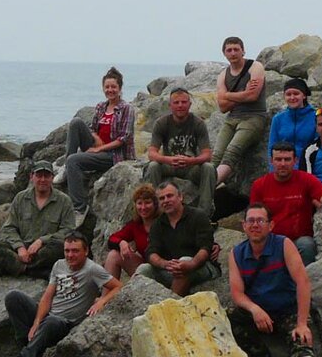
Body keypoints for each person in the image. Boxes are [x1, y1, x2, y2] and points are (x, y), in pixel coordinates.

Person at [3, 231, 121, 357]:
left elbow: (118, 286)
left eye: (75, 251)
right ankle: (27, 342)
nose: (70, 255)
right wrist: (36, 323)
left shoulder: (92, 269)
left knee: (53, 322)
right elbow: (47, 296)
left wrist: (102, 300)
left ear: (86, 251)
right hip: (49, 316)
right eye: (67, 251)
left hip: (65, 324)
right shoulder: (59, 265)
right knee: (13, 297)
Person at [228, 203, 315, 357]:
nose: (255, 225)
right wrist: (255, 309)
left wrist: (302, 323)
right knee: (228, 320)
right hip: (260, 312)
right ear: (244, 226)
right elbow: (237, 293)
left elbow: (303, 282)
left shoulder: (284, 245)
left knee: (303, 346)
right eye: (251, 221)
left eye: (260, 221)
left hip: (288, 310)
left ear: (271, 225)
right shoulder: (236, 253)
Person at [249, 144, 322, 265]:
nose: (282, 164)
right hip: (271, 241)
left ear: (295, 161)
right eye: (278, 159)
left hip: (300, 241)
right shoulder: (259, 185)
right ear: (271, 161)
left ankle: (302, 282)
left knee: (307, 245)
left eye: (287, 159)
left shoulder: (306, 179)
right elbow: (252, 218)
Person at [0, 160, 76, 277]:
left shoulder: (64, 201)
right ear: (32, 177)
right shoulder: (20, 198)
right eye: (39, 175)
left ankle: (14, 267)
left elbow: (68, 231)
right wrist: (19, 247)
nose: (42, 180)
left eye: (46, 176)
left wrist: (41, 241)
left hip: (45, 250)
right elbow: (8, 229)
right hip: (21, 248)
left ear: (52, 177)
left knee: (62, 247)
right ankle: (31, 270)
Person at [63, 67, 135, 219]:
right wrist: (96, 140)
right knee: (76, 122)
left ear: (120, 88)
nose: (110, 90)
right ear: (103, 88)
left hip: (114, 155)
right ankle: (66, 169)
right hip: (99, 147)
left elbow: (124, 138)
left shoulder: (127, 109)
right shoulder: (101, 107)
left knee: (73, 161)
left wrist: (99, 149)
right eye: (107, 87)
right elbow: (92, 128)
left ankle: (79, 209)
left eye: (113, 87)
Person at [134, 180, 220, 295]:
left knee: (184, 261)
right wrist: (165, 264)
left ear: (180, 197)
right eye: (161, 198)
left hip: (201, 267)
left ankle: (169, 308)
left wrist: (191, 264)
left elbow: (205, 248)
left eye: (169, 196)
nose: (166, 201)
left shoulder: (198, 216)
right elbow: (151, 252)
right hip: (170, 269)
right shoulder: (158, 224)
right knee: (143, 269)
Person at [143, 88, 217, 217]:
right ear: (170, 105)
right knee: (153, 166)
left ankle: (204, 216)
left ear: (190, 104)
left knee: (209, 168)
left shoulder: (198, 124)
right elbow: (152, 153)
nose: (180, 105)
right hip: (170, 166)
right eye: (176, 102)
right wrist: (168, 160)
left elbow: (207, 154)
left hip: (191, 167)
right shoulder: (161, 123)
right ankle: (157, 213)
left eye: (184, 102)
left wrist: (191, 161)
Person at [214, 37, 268, 186]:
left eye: (236, 49)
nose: (233, 53)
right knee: (216, 156)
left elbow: (253, 96)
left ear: (243, 51)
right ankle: (205, 184)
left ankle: (210, 186)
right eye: (229, 50)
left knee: (231, 153)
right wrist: (242, 93)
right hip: (232, 118)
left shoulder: (255, 67)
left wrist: (228, 95)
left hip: (254, 117)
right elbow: (222, 107)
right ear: (224, 53)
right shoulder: (223, 75)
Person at [104, 183, 160, 280]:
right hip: (145, 267)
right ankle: (108, 293)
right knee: (113, 255)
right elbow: (112, 239)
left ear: (155, 204)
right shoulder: (135, 225)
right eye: (139, 203)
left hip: (164, 267)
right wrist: (121, 242)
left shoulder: (162, 222)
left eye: (147, 203)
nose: (143, 207)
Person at [266, 78, 317, 168]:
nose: (292, 97)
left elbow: (319, 147)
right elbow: (272, 147)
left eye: (296, 94)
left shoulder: (315, 117)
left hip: (308, 167)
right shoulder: (278, 119)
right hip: (283, 168)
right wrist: (273, 171)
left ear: (304, 95)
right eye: (288, 94)